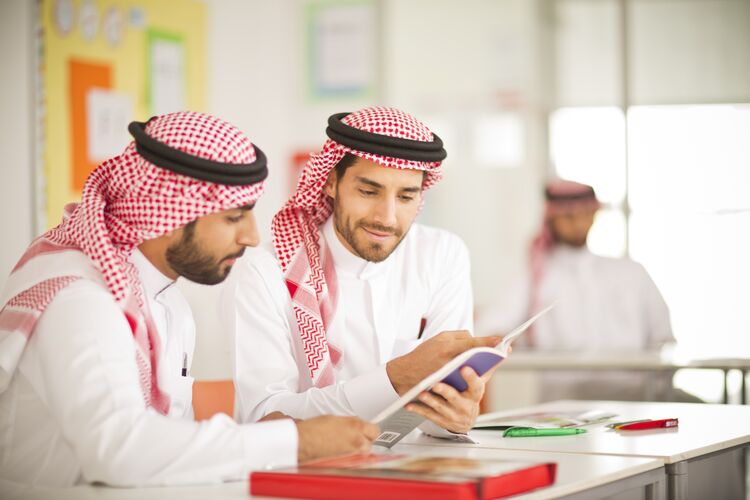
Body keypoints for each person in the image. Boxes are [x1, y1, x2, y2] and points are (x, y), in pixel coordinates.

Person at [0, 112, 378, 488]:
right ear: (166, 214)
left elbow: (167, 443)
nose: (250, 237)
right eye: (234, 218)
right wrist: (297, 442)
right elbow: (118, 450)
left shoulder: (166, 300)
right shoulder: (83, 301)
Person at [222, 106, 500, 437]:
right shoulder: (266, 272)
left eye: (407, 196)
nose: (387, 217)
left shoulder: (442, 255)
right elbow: (264, 417)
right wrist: (395, 379)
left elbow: (439, 407)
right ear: (330, 182)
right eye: (369, 192)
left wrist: (453, 418)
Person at [476, 179, 677, 401]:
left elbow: (663, 338)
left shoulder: (631, 272)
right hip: (565, 402)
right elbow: (491, 329)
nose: (578, 223)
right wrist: (513, 341)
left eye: (585, 214)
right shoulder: (535, 276)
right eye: (568, 216)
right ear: (552, 218)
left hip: (636, 396)